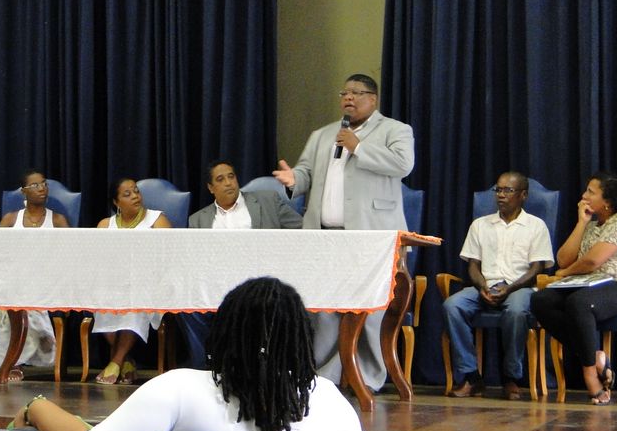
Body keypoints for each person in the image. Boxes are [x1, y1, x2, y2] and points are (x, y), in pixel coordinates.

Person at [14, 276, 372, 431]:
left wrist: (36, 406)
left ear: (225, 332)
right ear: (300, 338)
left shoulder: (178, 389)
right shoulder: (329, 401)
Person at [272, 73, 415, 391]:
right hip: (325, 237)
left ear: (373, 99)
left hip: (372, 236)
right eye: (344, 93)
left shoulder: (395, 130)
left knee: (369, 309)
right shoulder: (323, 135)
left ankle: (367, 377)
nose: (348, 98)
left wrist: (359, 146)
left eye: (356, 93)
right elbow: (306, 172)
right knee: (324, 307)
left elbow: (403, 164)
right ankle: (323, 378)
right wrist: (294, 179)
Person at [530, 172, 617, 405]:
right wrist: (582, 223)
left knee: (579, 303)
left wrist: (564, 273)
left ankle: (591, 377)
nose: (584, 196)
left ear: (608, 202)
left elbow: (592, 261)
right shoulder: (592, 226)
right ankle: (595, 357)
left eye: (591, 192)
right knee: (541, 300)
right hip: (588, 285)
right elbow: (563, 259)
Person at [442, 172, 554, 400]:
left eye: (508, 190)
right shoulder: (480, 225)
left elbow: (537, 269)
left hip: (519, 288)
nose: (501, 195)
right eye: (498, 190)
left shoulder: (536, 226)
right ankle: (471, 376)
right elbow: (473, 265)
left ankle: (511, 377)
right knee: (452, 305)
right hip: (485, 285)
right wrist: (482, 286)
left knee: (516, 311)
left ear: (523, 195)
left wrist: (509, 289)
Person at [181, 160, 303, 367]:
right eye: (220, 179)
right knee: (187, 308)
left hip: (261, 281)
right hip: (218, 284)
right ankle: (209, 367)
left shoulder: (268, 201)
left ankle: (264, 368)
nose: (228, 183)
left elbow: (303, 231)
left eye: (231, 176)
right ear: (211, 188)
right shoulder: (198, 220)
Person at [0, 170, 68, 380]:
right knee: (13, 298)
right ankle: (18, 358)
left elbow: (68, 257)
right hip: (14, 279)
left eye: (44, 184)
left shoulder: (58, 220)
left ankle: (13, 359)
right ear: (23, 191)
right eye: (35, 185)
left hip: (47, 280)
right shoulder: (10, 219)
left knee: (23, 297)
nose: (42, 188)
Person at [92, 178, 172, 384]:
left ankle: (115, 361)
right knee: (99, 299)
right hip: (114, 283)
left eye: (136, 191)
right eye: (127, 194)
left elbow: (168, 257)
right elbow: (97, 261)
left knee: (136, 300)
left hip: (149, 283)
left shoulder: (157, 220)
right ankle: (126, 360)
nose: (135, 196)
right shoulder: (105, 225)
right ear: (116, 202)